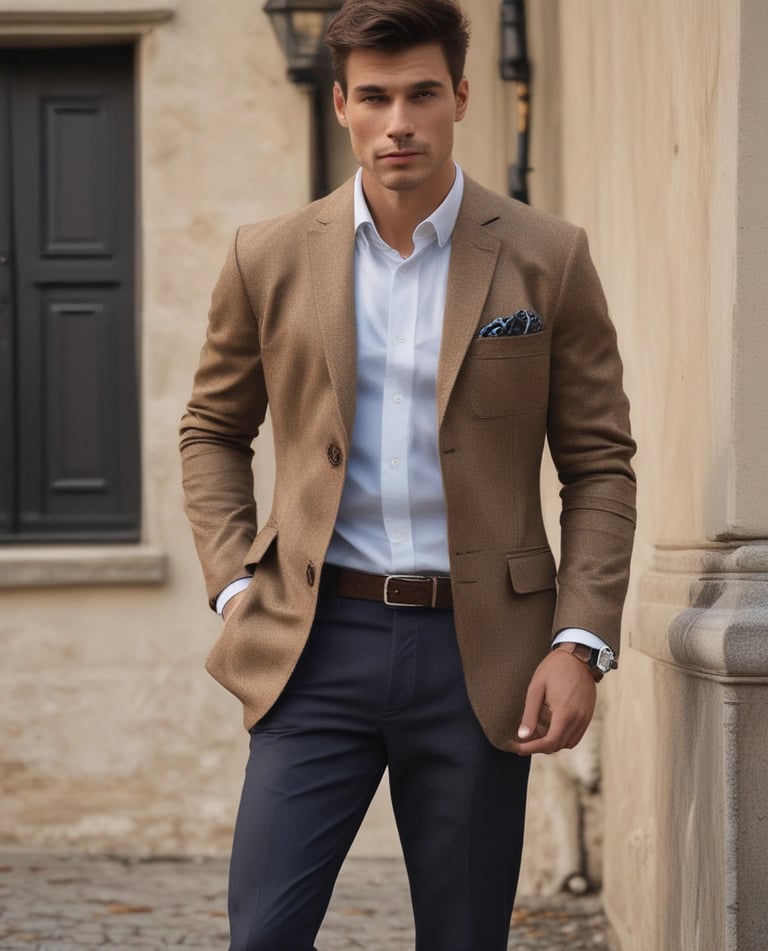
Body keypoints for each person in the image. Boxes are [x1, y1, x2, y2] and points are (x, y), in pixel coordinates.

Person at [179, 1, 636, 947]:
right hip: (313, 645)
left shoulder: (547, 257)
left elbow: (598, 463)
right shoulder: (267, 256)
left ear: (460, 97)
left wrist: (579, 638)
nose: (400, 123)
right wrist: (233, 583)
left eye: (422, 94)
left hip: (480, 652)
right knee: (264, 933)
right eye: (376, 97)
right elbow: (212, 430)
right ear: (341, 103)